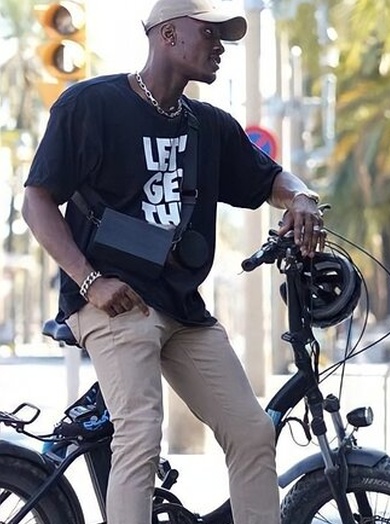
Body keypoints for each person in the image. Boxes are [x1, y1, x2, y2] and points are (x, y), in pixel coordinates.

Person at [21, 1, 324, 522]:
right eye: (208, 33)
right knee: (139, 432)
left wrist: (302, 198)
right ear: (167, 35)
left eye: (224, 37)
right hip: (112, 301)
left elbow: (273, 179)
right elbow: (37, 202)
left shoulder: (210, 127)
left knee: (252, 432)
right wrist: (90, 280)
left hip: (181, 307)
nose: (220, 46)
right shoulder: (92, 105)